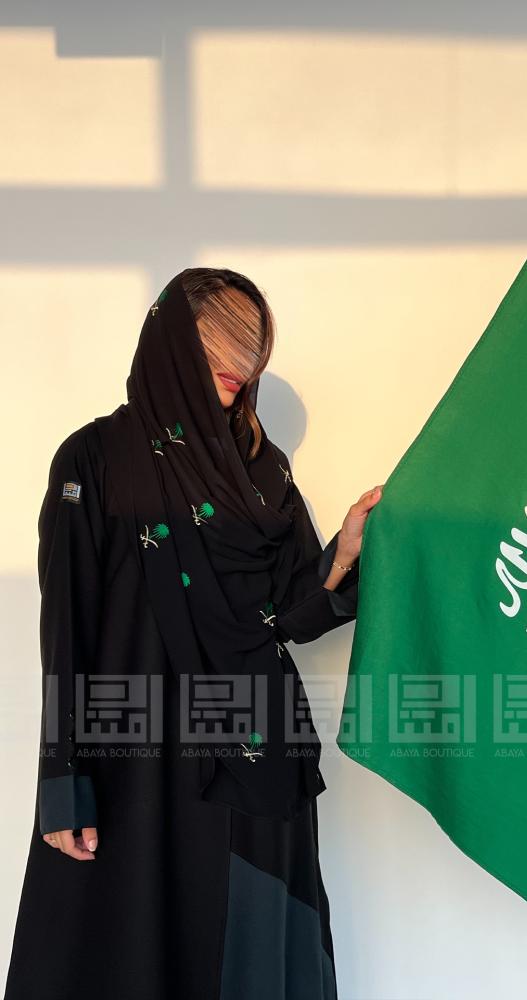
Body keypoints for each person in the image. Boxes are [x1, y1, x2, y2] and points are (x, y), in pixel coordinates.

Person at [3, 267, 383, 1000]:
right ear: (172, 336)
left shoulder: (263, 470)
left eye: (253, 346)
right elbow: (68, 622)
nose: (242, 361)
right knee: (129, 950)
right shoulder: (94, 457)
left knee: (245, 958)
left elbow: (292, 615)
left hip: (252, 747)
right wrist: (63, 782)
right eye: (223, 338)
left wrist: (342, 554)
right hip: (136, 755)